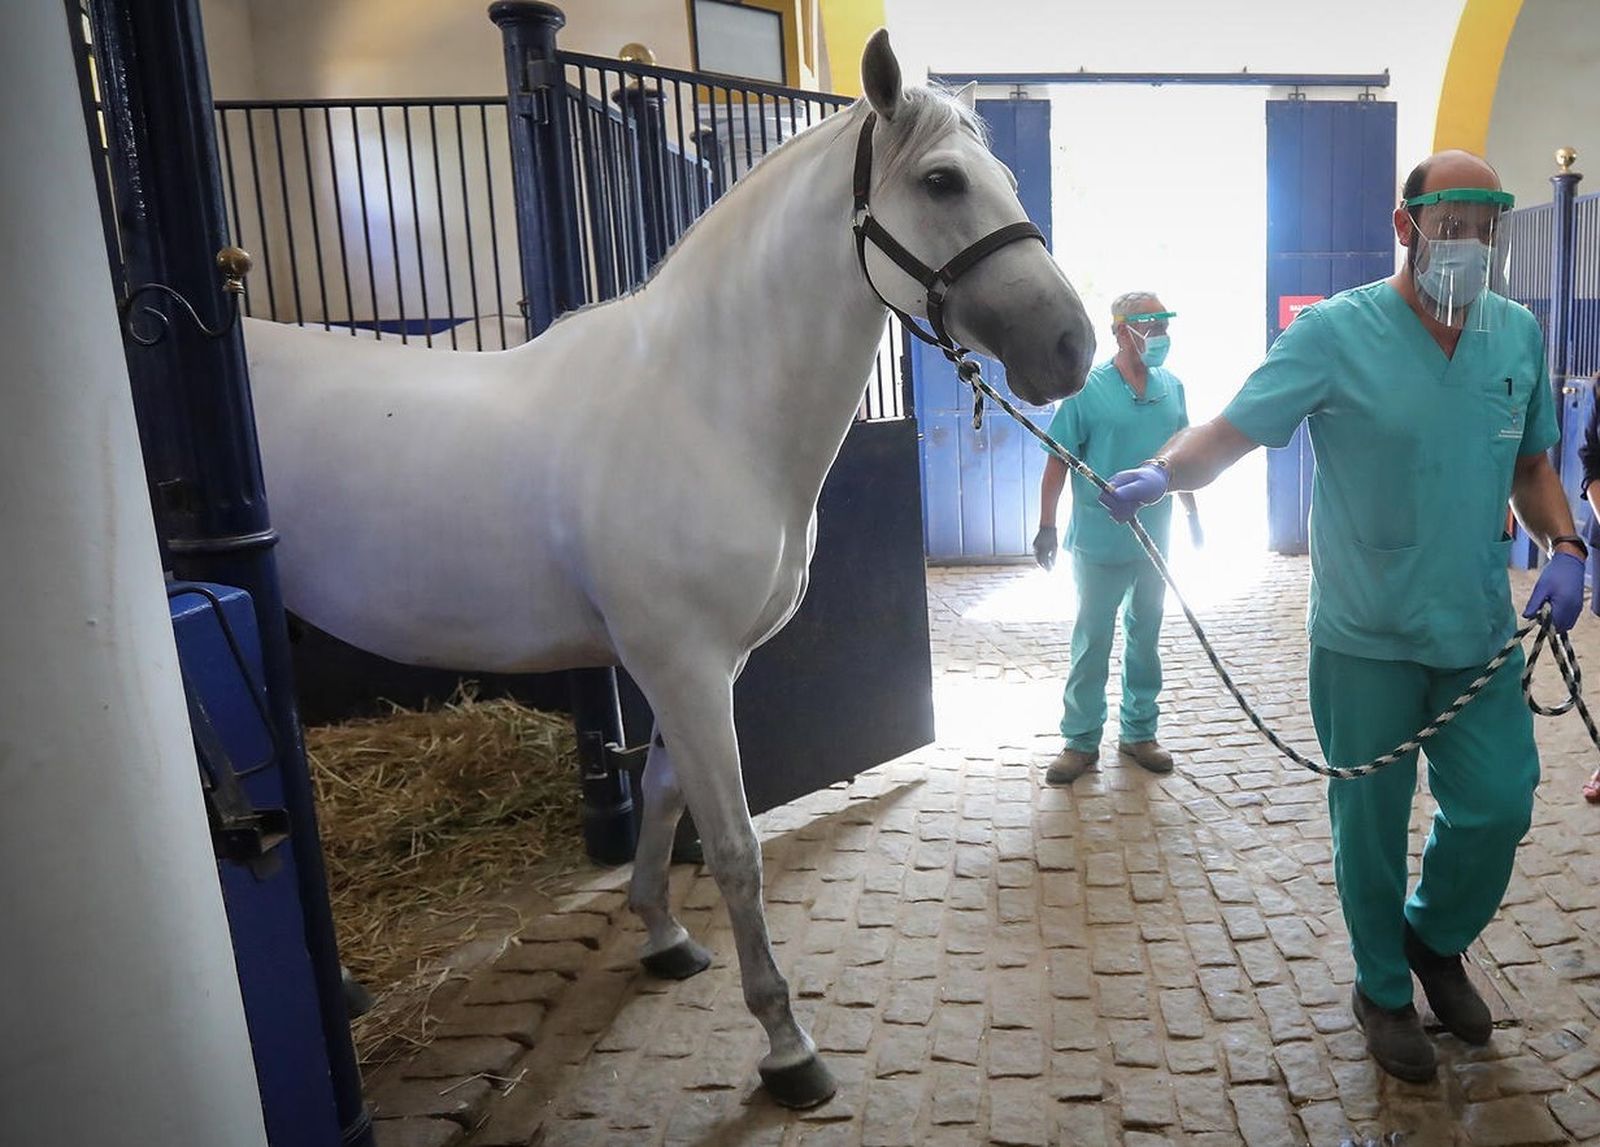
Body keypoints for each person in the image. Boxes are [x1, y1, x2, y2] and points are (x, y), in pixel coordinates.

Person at [1096, 151, 1587, 1083]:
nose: (1471, 243)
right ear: (1406, 227)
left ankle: (1434, 937)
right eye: (1452, 223)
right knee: (1369, 820)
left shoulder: (1515, 336)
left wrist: (1566, 546)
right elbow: (1232, 430)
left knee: (1499, 804)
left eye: (1487, 225)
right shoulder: (1334, 334)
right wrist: (1165, 471)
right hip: (1366, 634)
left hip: (1477, 628)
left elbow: (1530, 465)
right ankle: (1383, 988)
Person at [1032, 292, 1201, 785]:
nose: (1161, 334)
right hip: (1098, 543)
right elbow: (1057, 462)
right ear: (1121, 331)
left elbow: (1184, 458)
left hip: (1155, 541)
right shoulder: (1087, 391)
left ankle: (1139, 732)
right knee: (1092, 641)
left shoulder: (1173, 388)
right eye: (1150, 324)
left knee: (1145, 638)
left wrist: (1192, 517)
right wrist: (1047, 526)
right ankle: (1080, 741)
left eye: (1165, 323)